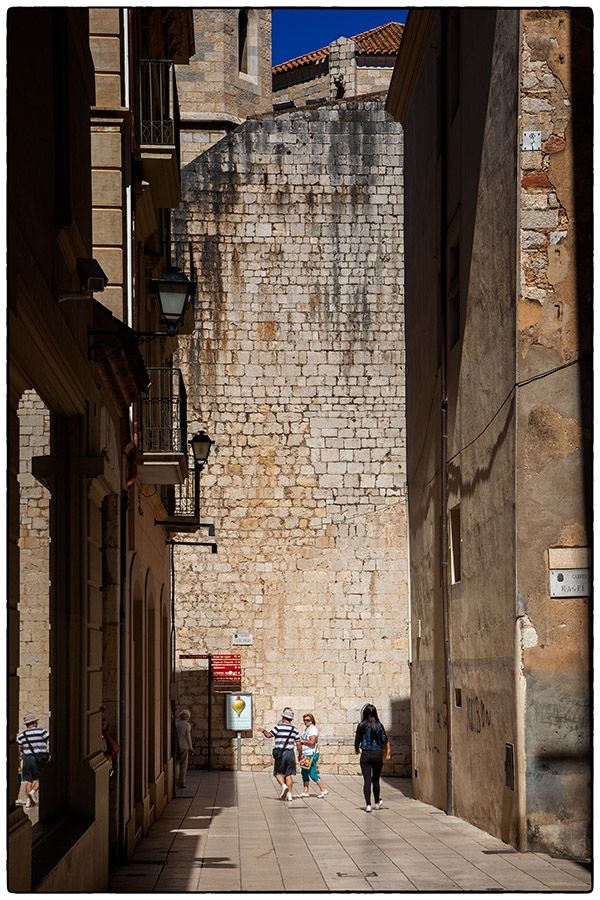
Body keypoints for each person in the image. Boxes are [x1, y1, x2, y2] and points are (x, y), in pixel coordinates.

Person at [258, 707, 300, 802]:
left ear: (284, 717)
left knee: (277, 773)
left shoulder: (278, 727)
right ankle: (289, 795)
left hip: (280, 753)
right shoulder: (295, 729)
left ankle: (284, 786)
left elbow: (269, 735)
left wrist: (263, 730)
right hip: (290, 753)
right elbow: (298, 743)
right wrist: (300, 754)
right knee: (288, 774)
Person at [354, 704, 389, 812]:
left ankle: (368, 805)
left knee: (367, 780)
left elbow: (357, 739)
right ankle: (377, 802)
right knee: (376, 780)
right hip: (377, 754)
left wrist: (356, 749)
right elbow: (384, 740)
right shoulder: (379, 725)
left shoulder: (361, 725)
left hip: (366, 754)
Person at [17, 714, 49, 808]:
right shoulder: (41, 731)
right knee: (41, 777)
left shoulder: (22, 735)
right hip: (39, 757)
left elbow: (19, 748)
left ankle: (28, 801)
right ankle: (33, 792)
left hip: (27, 758)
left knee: (28, 780)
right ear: (34, 723)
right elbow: (49, 738)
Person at [297, 713, 329, 798]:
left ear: (312, 720)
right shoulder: (307, 729)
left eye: (307, 720)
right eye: (304, 720)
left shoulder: (313, 730)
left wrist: (302, 741)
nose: (305, 722)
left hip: (311, 754)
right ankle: (305, 791)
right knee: (304, 773)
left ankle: (323, 790)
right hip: (306, 754)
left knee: (312, 773)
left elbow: (312, 742)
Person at [175, 709, 193, 788]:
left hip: (176, 745)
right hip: (184, 746)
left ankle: (175, 780)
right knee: (183, 765)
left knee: (176, 764)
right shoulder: (187, 725)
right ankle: (181, 782)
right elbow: (188, 737)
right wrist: (190, 747)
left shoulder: (176, 724)